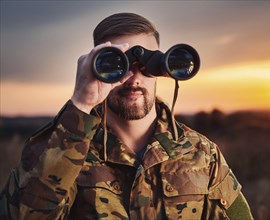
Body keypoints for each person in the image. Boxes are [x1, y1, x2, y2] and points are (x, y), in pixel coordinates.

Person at [0, 13, 253, 219]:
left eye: (148, 65)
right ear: (95, 65)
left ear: (164, 68)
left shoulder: (202, 154)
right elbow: (20, 214)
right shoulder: (65, 152)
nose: (134, 78)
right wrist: (80, 102)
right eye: (116, 64)